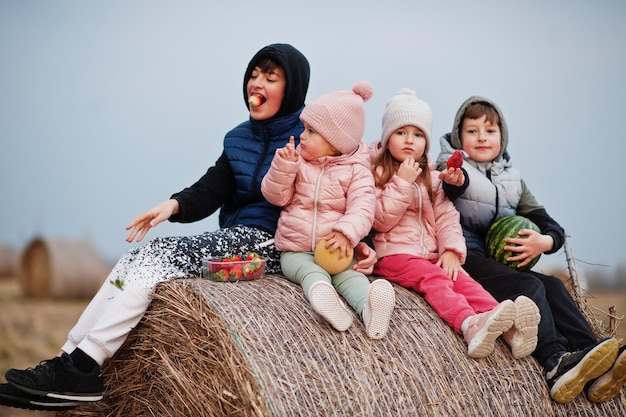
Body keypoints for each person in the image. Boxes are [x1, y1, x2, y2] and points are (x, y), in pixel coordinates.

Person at [0, 43, 377, 412]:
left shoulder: (313, 135)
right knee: (133, 261)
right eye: (254, 74)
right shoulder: (238, 139)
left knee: (158, 260)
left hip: (270, 246)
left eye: (270, 77)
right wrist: (171, 205)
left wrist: (361, 240)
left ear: (292, 88)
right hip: (232, 238)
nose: (256, 83)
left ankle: (84, 366)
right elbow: (211, 187)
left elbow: (351, 183)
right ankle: (67, 358)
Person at [435, 95, 625, 403]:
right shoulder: (452, 167)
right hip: (467, 260)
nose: (482, 137)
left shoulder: (513, 181)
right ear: (459, 137)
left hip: (502, 263)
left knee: (551, 283)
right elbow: (450, 186)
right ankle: (554, 360)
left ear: (502, 136)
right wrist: (453, 179)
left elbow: (550, 226)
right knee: (529, 285)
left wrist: (544, 241)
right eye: (472, 131)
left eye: (490, 130)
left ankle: (593, 354)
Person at [370, 89, 541, 359]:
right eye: (400, 133)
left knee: (463, 279)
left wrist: (450, 250)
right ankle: (469, 325)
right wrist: (401, 183)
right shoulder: (378, 173)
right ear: (387, 137)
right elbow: (379, 220)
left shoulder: (432, 177)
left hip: (430, 254)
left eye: (417, 135)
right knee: (436, 279)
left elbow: (447, 216)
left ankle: (507, 327)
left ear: (425, 142)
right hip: (394, 254)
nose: (409, 141)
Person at [261, 81, 395, 340]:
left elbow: (364, 206)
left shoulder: (357, 169)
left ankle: (368, 309)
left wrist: (346, 233)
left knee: (350, 276)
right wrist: (283, 168)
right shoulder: (298, 161)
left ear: (336, 143)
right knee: (310, 272)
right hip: (295, 248)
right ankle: (324, 296)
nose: (302, 135)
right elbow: (275, 196)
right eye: (304, 128)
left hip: (335, 247)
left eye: (311, 131)